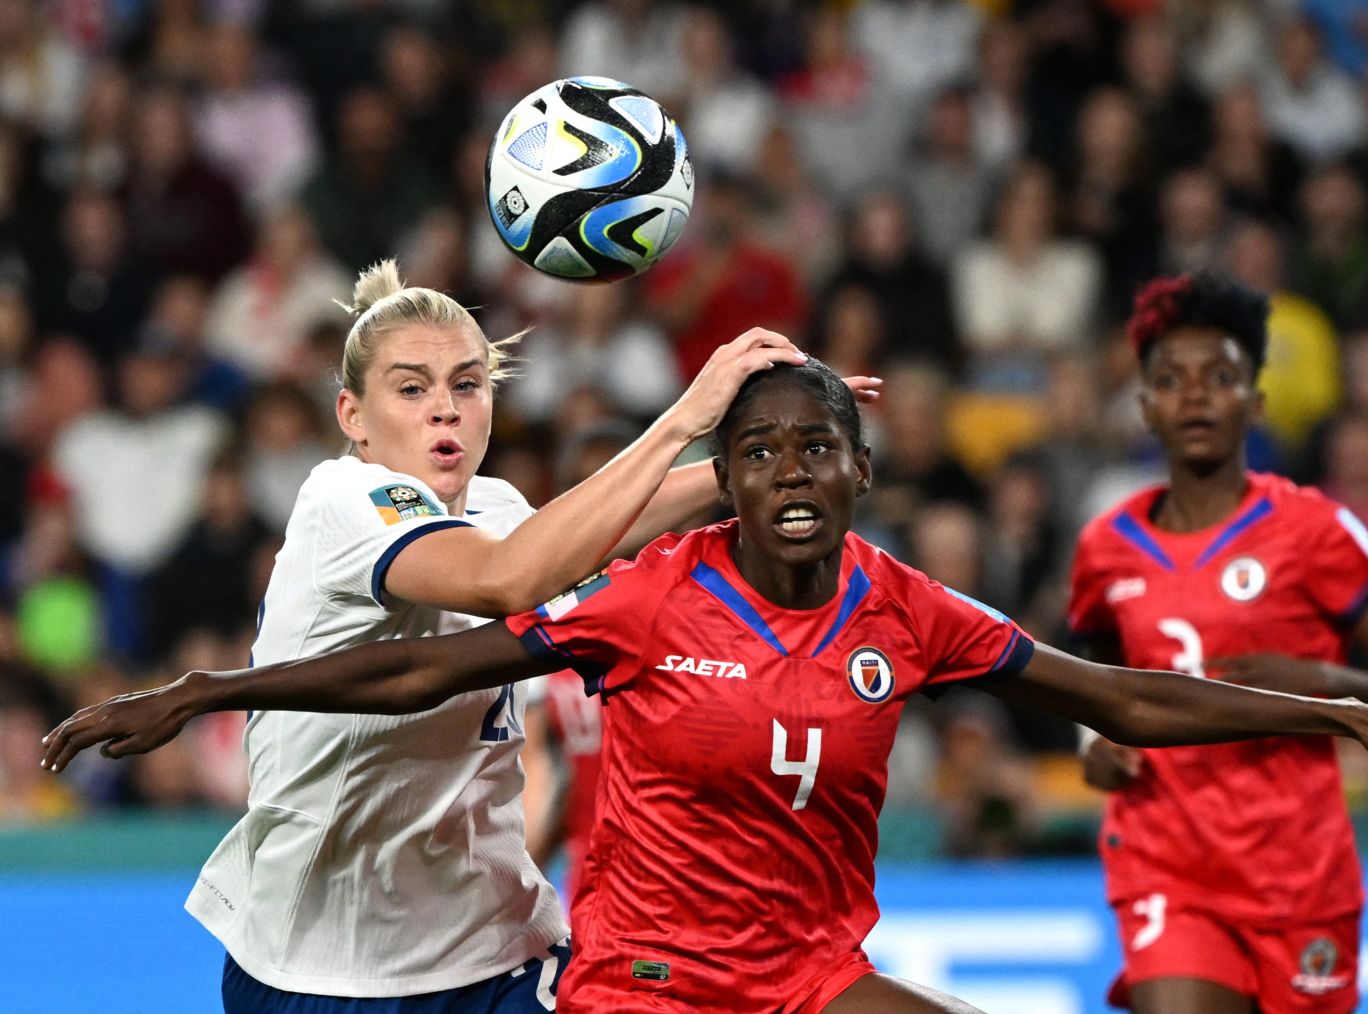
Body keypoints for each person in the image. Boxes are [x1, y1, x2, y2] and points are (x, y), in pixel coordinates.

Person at [44, 360, 1368, 1014]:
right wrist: (210, 687)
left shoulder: (908, 606)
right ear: (723, 483)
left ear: (857, 471)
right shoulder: (644, 592)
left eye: (818, 448)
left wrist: (1337, 711)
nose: (793, 474)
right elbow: (433, 661)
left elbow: (1118, 695)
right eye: (761, 455)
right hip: (645, 979)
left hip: (806, 972)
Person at [60, 253, 827, 1014]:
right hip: (328, 967)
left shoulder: (495, 507)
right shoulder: (346, 500)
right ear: (351, 417)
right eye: (412, 388)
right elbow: (507, 579)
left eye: (467, 384)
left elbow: (593, 535)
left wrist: (758, 465)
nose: (446, 408)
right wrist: (688, 422)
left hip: (494, 948)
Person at [1070, 273, 1368, 1014]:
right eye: (1172, 380)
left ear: (1257, 402)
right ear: (1145, 407)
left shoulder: (1314, 530)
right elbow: (1091, 676)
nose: (1195, 396)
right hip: (1165, 858)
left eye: (1220, 377)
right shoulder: (1104, 547)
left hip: (1297, 869)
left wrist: (1310, 678)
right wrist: (1096, 742)